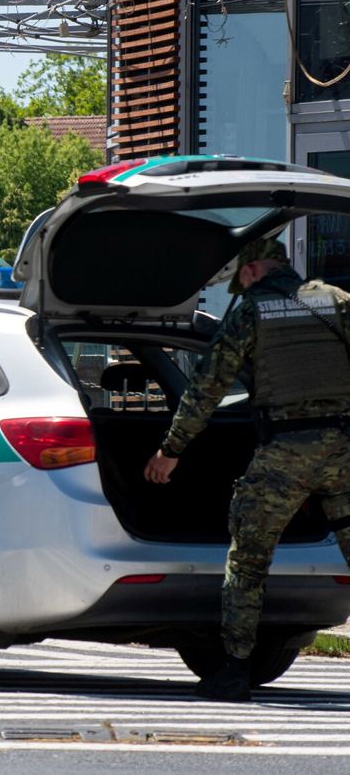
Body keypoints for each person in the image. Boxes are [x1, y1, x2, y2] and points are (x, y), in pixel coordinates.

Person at [144, 237, 350, 702]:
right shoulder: (337, 302)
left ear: (253, 271)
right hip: (343, 450)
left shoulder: (252, 312)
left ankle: (235, 670)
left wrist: (171, 449)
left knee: (249, 559)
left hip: (284, 456)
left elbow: (208, 386)